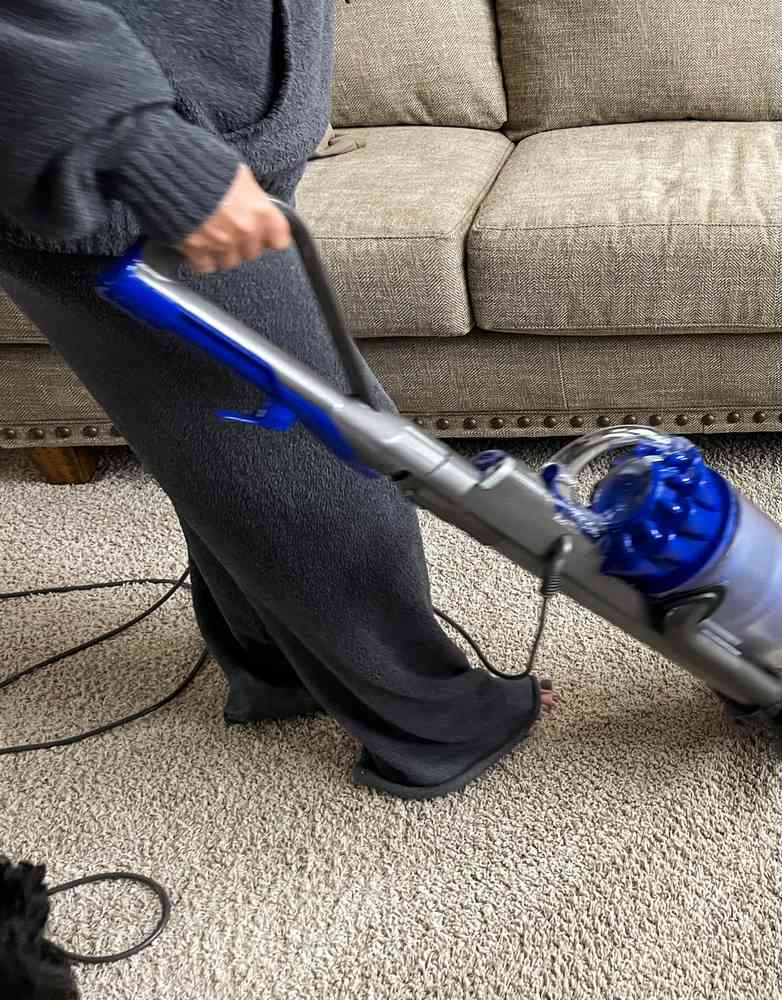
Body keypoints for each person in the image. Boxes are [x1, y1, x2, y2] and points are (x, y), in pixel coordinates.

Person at [0, 1, 550, 799]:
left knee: (221, 439)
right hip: (112, 159)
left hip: (205, 123)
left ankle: (277, 670)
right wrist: (135, 140)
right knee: (329, 451)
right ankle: (435, 724)